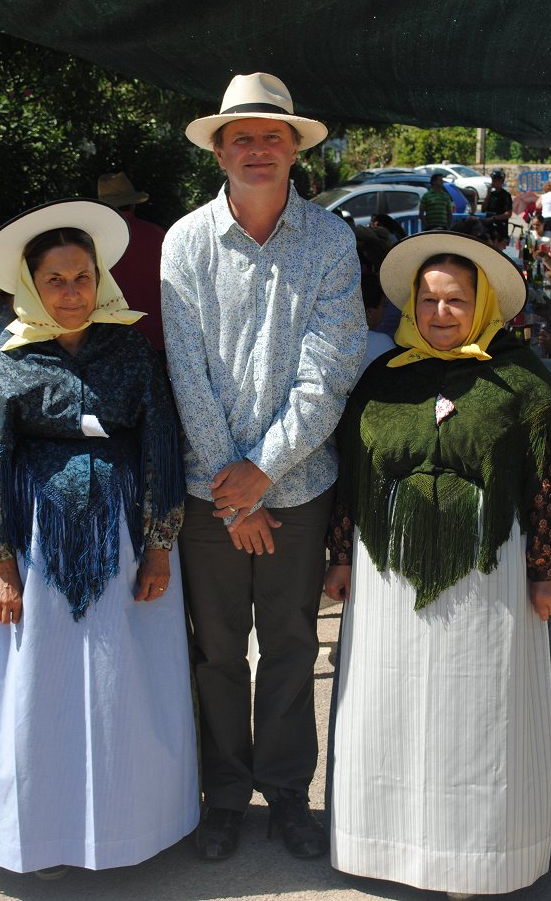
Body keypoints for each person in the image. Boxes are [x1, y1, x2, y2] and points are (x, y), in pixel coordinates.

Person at [0, 198, 199, 875]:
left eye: (81, 276)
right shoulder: (7, 359)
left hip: (121, 544)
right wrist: (1, 565)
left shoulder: (130, 351)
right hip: (36, 547)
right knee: (42, 686)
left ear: (100, 277)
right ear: (31, 285)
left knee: (127, 680)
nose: (71, 292)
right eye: (55, 280)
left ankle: (131, 827)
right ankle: (43, 835)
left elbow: (160, 445)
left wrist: (160, 545)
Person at [326, 231, 551, 899]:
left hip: (486, 583)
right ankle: (385, 843)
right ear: (412, 304)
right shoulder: (381, 381)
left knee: (476, 716)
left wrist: (547, 567)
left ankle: (480, 856)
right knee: (393, 705)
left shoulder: (523, 383)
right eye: (430, 300)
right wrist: (339, 557)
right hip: (385, 583)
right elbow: (352, 474)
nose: (441, 314)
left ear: (484, 305)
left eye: (457, 301)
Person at [161, 72, 365, 861]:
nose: (257, 147)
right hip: (211, 492)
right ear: (217, 149)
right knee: (215, 651)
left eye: (270, 135)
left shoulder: (328, 239)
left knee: (288, 646)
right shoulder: (185, 242)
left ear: (293, 148)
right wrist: (235, 491)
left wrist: (265, 472)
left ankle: (286, 796)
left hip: (299, 485)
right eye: (240, 135)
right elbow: (186, 373)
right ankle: (222, 796)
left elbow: (333, 366)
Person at [98, 171, 166, 351]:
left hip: (115, 340)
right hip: (160, 336)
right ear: (134, 204)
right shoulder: (157, 234)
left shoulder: (94, 244)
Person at [480, 167, 512, 241]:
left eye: (497, 180)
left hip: (499, 226)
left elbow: (508, 214)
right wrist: (488, 194)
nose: (494, 182)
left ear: (501, 181)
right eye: (493, 180)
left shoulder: (505, 195)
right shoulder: (491, 194)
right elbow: (483, 209)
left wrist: (494, 218)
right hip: (488, 225)